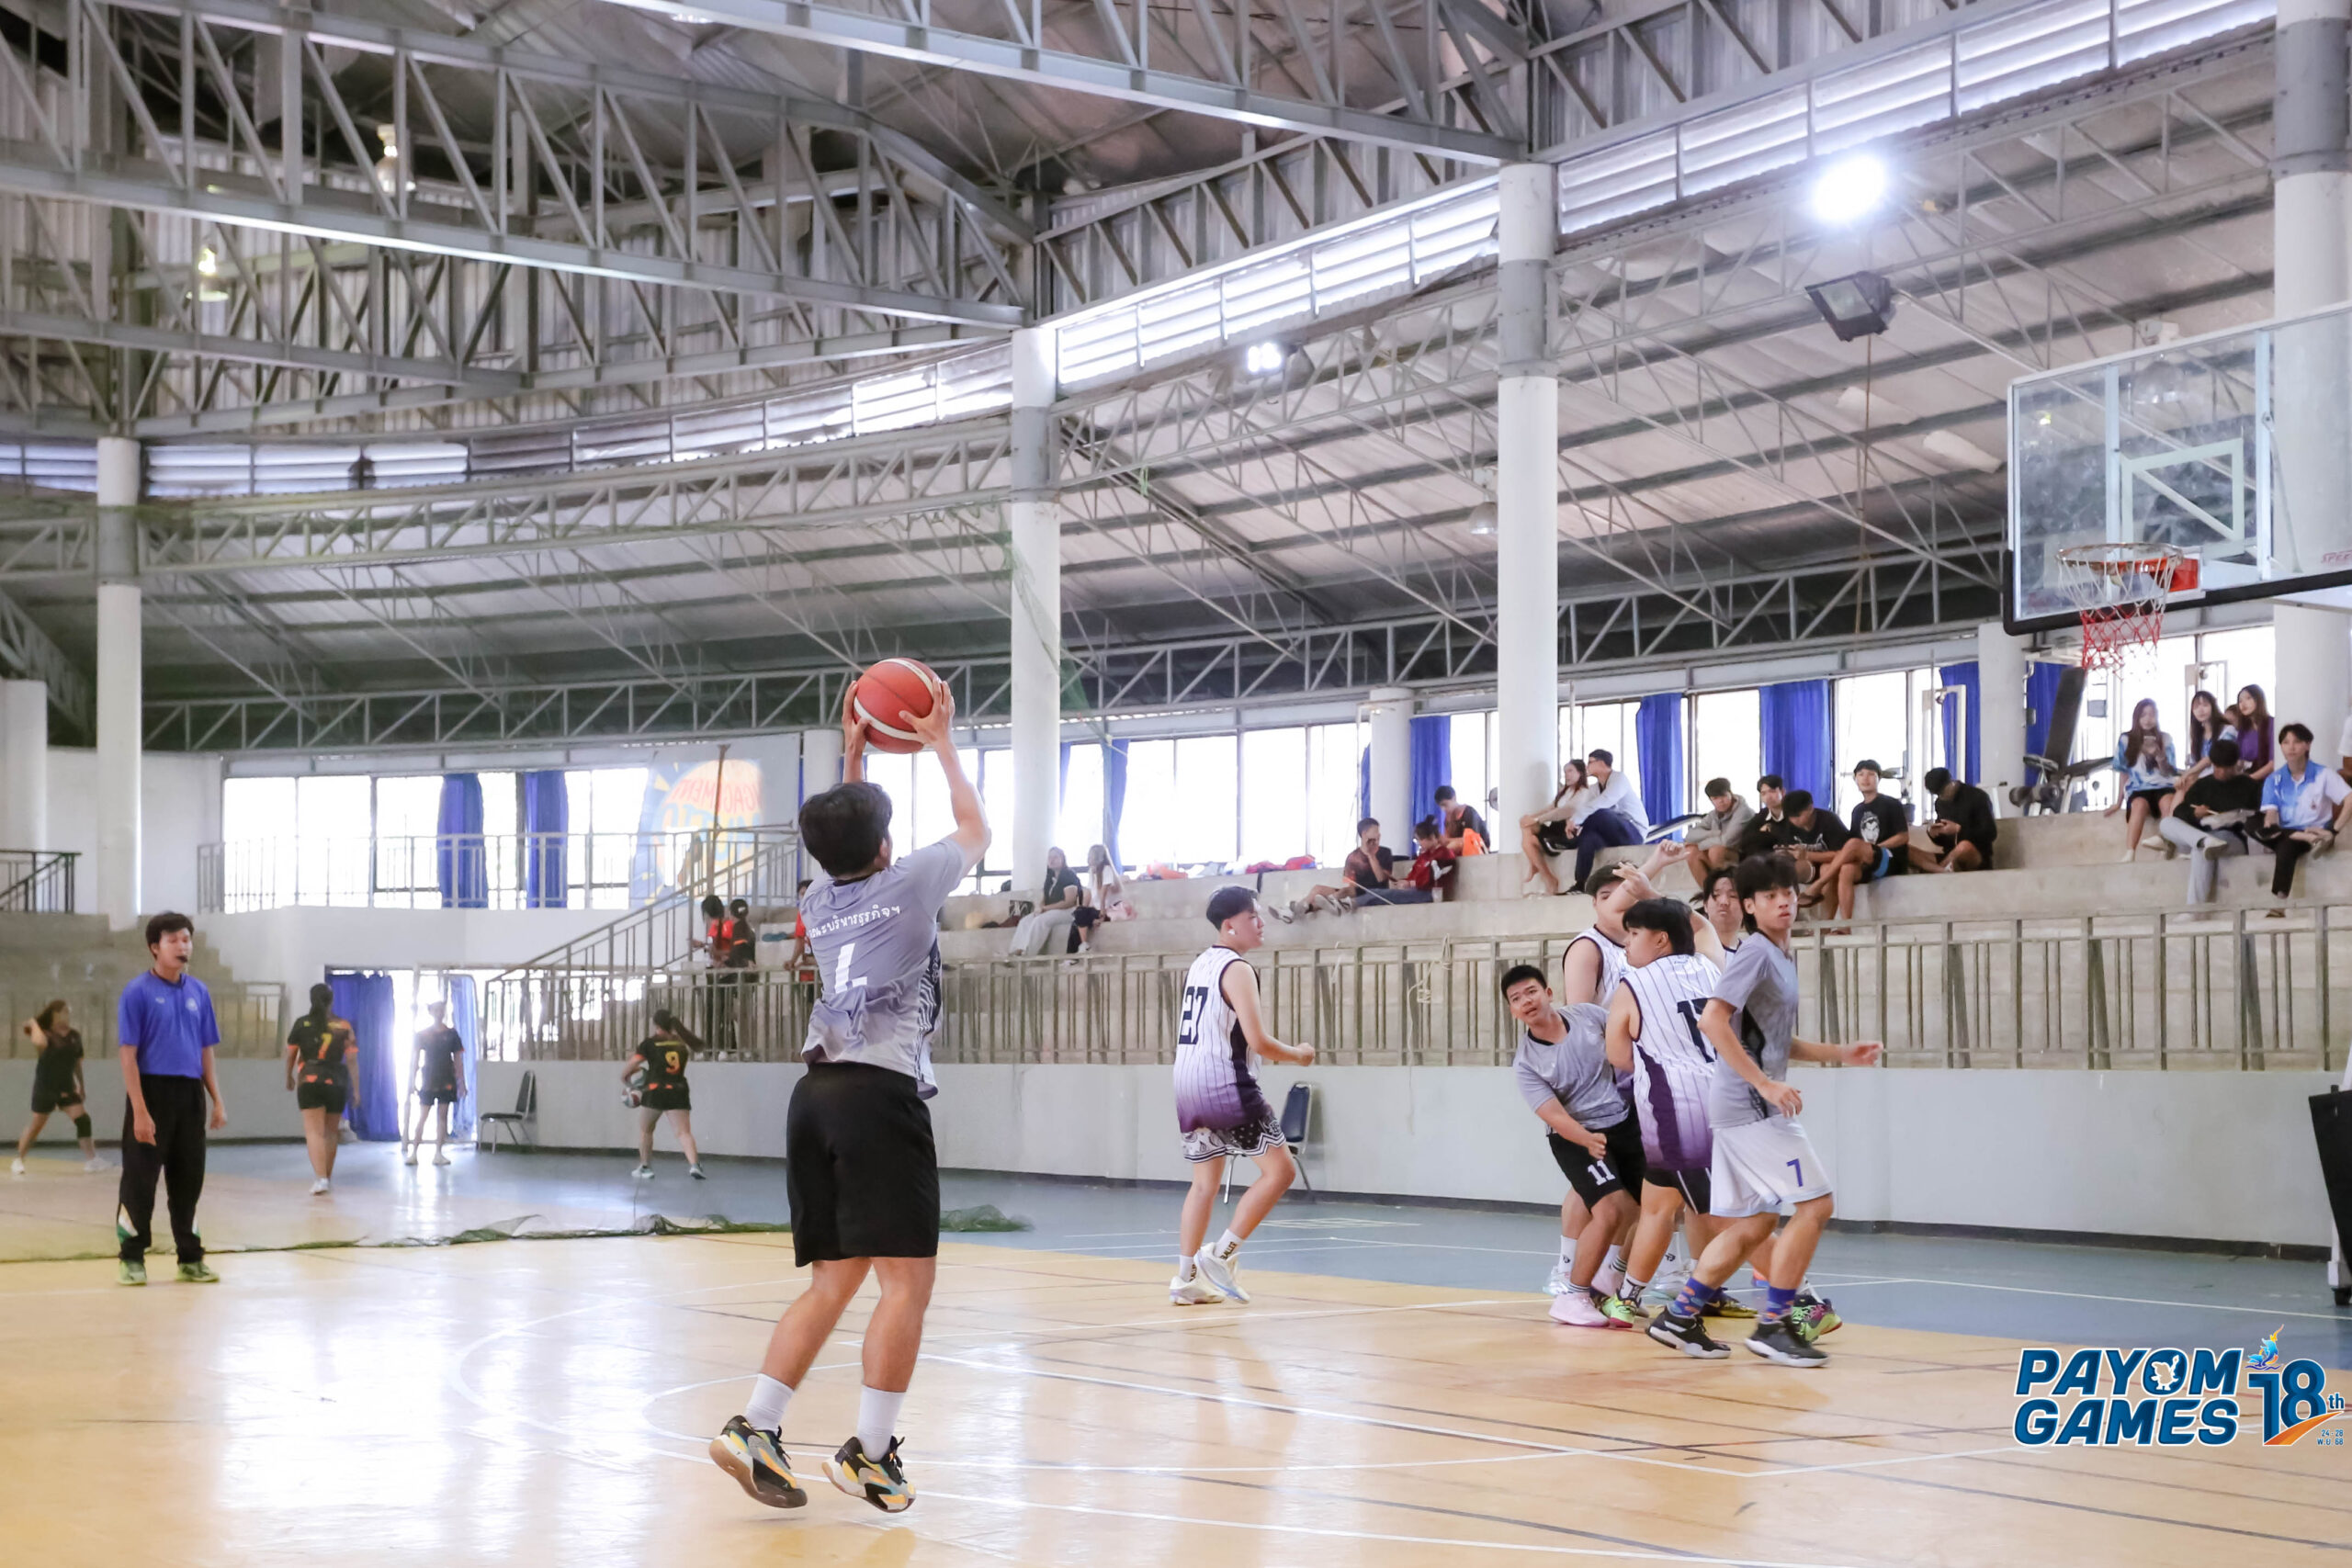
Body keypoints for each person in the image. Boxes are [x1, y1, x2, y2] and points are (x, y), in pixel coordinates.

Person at [708, 675, 987, 1517]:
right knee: (907, 1286)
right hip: (877, 1097)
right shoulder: (911, 884)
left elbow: (848, 834)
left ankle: (757, 1425)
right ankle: (869, 1453)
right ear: (886, 844)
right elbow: (975, 829)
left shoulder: (817, 898)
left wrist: (855, 753)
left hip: (816, 1096)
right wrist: (941, 742)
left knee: (834, 1283)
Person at [1645, 853, 1883, 1367]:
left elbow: (1773, 1039)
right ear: (1750, 906)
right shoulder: (1755, 953)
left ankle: (1679, 1317)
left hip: (1742, 1106)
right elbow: (1713, 1021)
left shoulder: (1779, 954)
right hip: (1748, 1106)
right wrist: (1765, 1084)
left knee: (1753, 1225)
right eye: (1770, 895)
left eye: (1789, 893)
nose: (1784, 902)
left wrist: (1841, 1053)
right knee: (1816, 1205)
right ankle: (1774, 1325)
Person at [1169, 887, 1317, 1306]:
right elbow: (1258, 1041)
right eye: (1253, 916)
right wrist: (1299, 1055)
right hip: (1223, 1084)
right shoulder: (1237, 968)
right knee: (1280, 1172)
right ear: (1229, 925)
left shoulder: (1201, 963)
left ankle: (1185, 1278)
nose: (1261, 923)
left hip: (1187, 1083)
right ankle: (1222, 1253)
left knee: (1204, 1184)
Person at [1602, 897, 1729, 1316]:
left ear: (1660, 940)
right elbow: (1705, 929)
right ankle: (1628, 1298)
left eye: (1634, 933)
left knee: (1728, 1218)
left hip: (1678, 1110)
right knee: (1659, 1206)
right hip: (1721, 1098)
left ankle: (1798, 1299)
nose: (1626, 943)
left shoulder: (1634, 984)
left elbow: (1618, 1055)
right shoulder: (1709, 968)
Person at [1505, 967, 1641, 1329]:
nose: (1526, 1001)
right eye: (1516, 999)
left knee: (1654, 1207)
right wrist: (1586, 1138)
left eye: (1530, 992)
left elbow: (1625, 1040)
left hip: (1623, 1121)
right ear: (1513, 1011)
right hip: (1575, 1138)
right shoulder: (1527, 1063)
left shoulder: (1588, 1016)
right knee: (1610, 1211)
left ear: (1548, 993)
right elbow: (1552, 1114)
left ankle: (1610, 1281)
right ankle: (1572, 1295)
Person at [116, 912, 226, 1286]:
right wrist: (140, 1111)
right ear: (155, 947)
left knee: (188, 1181)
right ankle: (132, 1258)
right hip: (151, 1092)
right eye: (173, 940)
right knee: (140, 1181)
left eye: (186, 939)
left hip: (189, 1095)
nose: (183, 946)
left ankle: (190, 1259)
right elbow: (128, 1055)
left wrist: (217, 1099)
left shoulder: (199, 992)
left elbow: (206, 1050)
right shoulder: (137, 992)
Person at [2253, 722, 2352, 910]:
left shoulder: (2323, 774)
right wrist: (2269, 823)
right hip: (2286, 831)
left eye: (2297, 742)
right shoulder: (2274, 779)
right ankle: (2300, 836)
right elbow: (2271, 813)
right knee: (2251, 822)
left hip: (2314, 832)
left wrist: (2334, 831)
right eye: (2285, 742)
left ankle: (2278, 904)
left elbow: (2350, 798)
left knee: (2286, 845)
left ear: (2307, 745)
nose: (2291, 747)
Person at [2156, 737, 2261, 904]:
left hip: (2232, 837)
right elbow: (2180, 811)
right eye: (2217, 767)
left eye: (2226, 768)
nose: (2221, 772)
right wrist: (2194, 813)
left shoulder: (2250, 785)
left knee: (2201, 850)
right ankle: (2203, 841)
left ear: (2235, 765)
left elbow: (2257, 816)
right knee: (2166, 824)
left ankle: (2194, 910)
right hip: (2203, 832)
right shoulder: (2203, 785)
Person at [284, 984, 357, 1196]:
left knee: (314, 1132)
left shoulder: (301, 1024)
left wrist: (288, 1076)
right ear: (331, 1001)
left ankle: (321, 1178)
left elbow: (291, 1055)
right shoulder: (344, 1026)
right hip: (337, 1081)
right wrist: (357, 1090)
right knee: (331, 1132)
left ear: (311, 999)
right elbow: (352, 1060)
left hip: (310, 1079)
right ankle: (327, 1177)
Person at [13, 999, 100, 1175]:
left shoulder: (74, 1035)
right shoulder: (45, 1033)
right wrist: (34, 1023)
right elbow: (40, 1043)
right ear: (55, 1014)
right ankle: (19, 1160)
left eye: (68, 1011)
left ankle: (91, 1160)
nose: (67, 1014)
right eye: (64, 1011)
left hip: (67, 1087)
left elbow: (77, 1063)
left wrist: (81, 1085)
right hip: (46, 1087)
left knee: (83, 1120)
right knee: (36, 1126)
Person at [1817, 761, 1907, 925]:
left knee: (1853, 845)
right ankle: (1842, 926)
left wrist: (1872, 848)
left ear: (1879, 779)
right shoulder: (1857, 810)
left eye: (1871, 774)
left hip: (1888, 858)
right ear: (1855, 779)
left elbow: (1903, 837)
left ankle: (1818, 885)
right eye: (1861, 775)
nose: (1865, 779)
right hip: (1865, 862)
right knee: (1840, 868)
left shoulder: (1891, 803)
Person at [626, 1010, 705, 1179]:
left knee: (646, 1130)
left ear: (656, 1025)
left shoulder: (649, 1043)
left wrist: (625, 1079)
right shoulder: (681, 1044)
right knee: (684, 1132)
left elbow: (633, 1064)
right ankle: (695, 1165)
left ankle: (645, 1167)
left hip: (655, 1090)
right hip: (678, 1090)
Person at [1283, 818, 1394, 919]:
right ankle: (1296, 909)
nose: (1379, 835)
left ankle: (1296, 912)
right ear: (1365, 834)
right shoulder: (1352, 857)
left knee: (1341, 893)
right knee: (1318, 889)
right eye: (1376, 831)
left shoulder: (1385, 852)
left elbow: (1381, 879)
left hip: (1376, 892)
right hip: (1357, 891)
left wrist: (1371, 855)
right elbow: (1351, 884)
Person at [1570, 749, 1649, 886]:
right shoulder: (1594, 789)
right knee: (1588, 838)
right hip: (1611, 834)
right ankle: (1580, 883)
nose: (1587, 766)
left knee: (1601, 813)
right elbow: (1586, 808)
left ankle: (1571, 841)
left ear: (1601, 763)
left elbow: (1604, 802)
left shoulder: (1620, 779)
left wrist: (1575, 821)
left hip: (1632, 832)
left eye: (1590, 762)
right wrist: (1575, 824)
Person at [404, 1000, 465, 1168]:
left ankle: (438, 1153)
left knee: (442, 1116)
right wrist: (412, 1081)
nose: (439, 1013)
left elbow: (458, 1060)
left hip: (447, 1079)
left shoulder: (452, 1034)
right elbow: (415, 1060)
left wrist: (461, 1082)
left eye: (441, 1010)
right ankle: (414, 1152)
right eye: (436, 1010)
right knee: (422, 1116)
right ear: (430, 1012)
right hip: (429, 1080)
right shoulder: (423, 1034)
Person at [1519, 759, 1590, 896]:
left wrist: (1537, 819)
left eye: (1570, 771)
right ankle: (1547, 877)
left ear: (1580, 773)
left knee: (1530, 839)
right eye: (1565, 772)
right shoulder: (1564, 791)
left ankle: (1540, 871)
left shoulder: (1584, 792)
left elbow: (1565, 811)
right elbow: (1550, 808)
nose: (1567, 775)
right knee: (1526, 828)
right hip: (1554, 828)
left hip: (1566, 832)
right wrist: (1531, 817)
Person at [1776, 791, 1849, 911]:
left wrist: (1808, 855)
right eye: (1790, 817)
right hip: (1809, 867)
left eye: (1798, 816)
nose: (1794, 820)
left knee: (1826, 869)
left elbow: (1842, 854)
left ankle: (1826, 920)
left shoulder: (1829, 821)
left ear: (1810, 808)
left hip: (1832, 865)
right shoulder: (1788, 826)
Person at [1913, 768, 1996, 872]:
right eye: (1937, 795)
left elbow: (1990, 833)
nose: (1941, 796)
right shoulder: (1939, 803)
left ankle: (1937, 872)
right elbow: (1944, 843)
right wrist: (1934, 834)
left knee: (1964, 846)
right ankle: (1941, 870)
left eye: (1942, 792)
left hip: (1975, 855)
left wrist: (1959, 829)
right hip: (1949, 855)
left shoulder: (1977, 796)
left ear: (1951, 783)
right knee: (1908, 850)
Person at [1009, 847, 1084, 955]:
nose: (1051, 860)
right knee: (1025, 921)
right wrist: (1039, 908)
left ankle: (1028, 954)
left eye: (1055, 857)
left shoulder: (1069, 875)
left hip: (1070, 911)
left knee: (1041, 921)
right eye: (1049, 858)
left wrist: (1045, 909)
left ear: (1062, 859)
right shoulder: (1049, 877)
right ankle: (1015, 952)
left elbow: (1069, 902)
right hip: (1052, 910)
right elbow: (1044, 899)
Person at [1677, 779, 1756, 876]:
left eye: (1723, 796)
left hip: (1744, 855)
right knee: (1691, 851)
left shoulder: (1744, 811)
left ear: (1731, 794)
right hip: (1720, 852)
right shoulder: (1714, 814)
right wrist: (1713, 833)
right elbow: (1690, 836)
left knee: (1716, 851)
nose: (1720, 801)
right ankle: (1709, 886)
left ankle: (1724, 884)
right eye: (1715, 798)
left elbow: (1727, 841)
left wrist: (1700, 844)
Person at [1734, 774, 1791, 859]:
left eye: (1772, 791)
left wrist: (1769, 831)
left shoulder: (1794, 812)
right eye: (1763, 793)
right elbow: (1745, 839)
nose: (1768, 797)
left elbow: (1789, 839)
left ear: (1782, 792)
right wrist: (1766, 834)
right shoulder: (1763, 814)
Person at [2229, 684, 2276, 782]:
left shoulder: (2271, 724)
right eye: (2240, 701)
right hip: (2248, 776)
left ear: (2259, 700)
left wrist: (2249, 779)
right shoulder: (2244, 729)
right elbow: (2239, 760)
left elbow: (2272, 764)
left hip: (2267, 780)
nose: (2243, 704)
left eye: (2248, 698)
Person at [1403, 818, 1459, 898]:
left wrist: (1410, 883)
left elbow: (1430, 879)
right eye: (1417, 840)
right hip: (1418, 891)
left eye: (1421, 839)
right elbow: (1413, 874)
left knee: (1387, 896)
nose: (1419, 843)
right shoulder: (1424, 856)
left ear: (1432, 837)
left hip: (1433, 894)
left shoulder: (1445, 854)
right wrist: (1404, 882)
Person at [1694, 864, 1744, 953]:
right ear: (1705, 905)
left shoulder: (1751, 952)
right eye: (1716, 895)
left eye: (1733, 896)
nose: (1724, 902)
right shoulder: (1692, 949)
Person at [1434, 785, 1488, 855]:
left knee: (1450, 847)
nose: (1443, 809)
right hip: (1460, 855)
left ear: (1454, 798)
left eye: (1445, 805)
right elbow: (1447, 841)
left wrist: (1447, 841)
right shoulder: (1447, 819)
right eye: (1441, 806)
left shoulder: (1469, 813)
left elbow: (1471, 840)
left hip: (1479, 852)